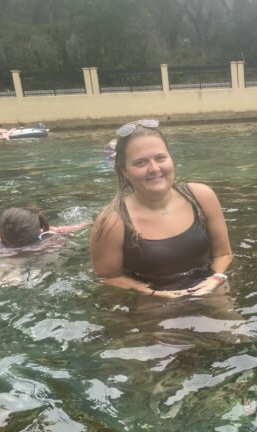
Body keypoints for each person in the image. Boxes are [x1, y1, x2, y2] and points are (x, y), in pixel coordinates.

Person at [90, 119, 233, 299]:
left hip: (210, 289)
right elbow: (109, 277)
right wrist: (154, 294)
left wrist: (216, 278)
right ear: (124, 170)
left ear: (170, 158)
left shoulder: (202, 197)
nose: (154, 168)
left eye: (160, 158)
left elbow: (224, 254)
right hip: (154, 303)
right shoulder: (112, 221)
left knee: (231, 326)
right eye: (141, 163)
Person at [0, 207, 91, 248]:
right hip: (38, 252)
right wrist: (87, 224)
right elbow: (67, 229)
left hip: (4, 257)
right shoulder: (46, 234)